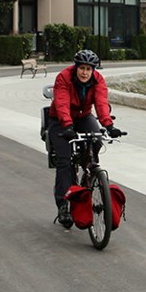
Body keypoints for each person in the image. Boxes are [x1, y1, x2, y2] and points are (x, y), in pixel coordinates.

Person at [48, 49, 123, 228]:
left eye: (88, 69)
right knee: (64, 161)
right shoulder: (64, 77)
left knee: (97, 139)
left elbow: (101, 103)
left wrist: (109, 126)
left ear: (93, 70)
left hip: (83, 116)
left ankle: (88, 166)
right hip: (60, 119)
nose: (84, 72)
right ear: (76, 68)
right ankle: (63, 206)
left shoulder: (98, 80)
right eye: (81, 68)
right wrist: (67, 126)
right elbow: (61, 102)